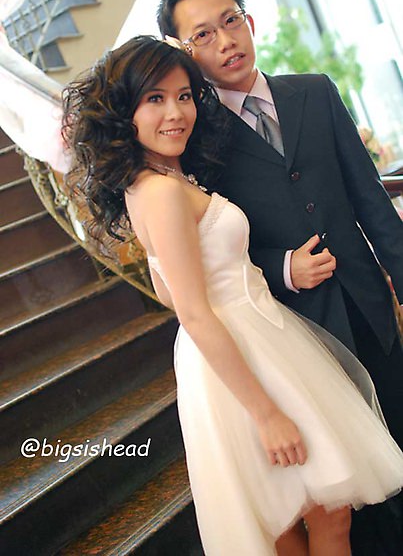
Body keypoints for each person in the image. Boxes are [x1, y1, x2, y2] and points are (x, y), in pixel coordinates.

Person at [62, 35, 403, 556]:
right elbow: (193, 313)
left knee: (299, 520)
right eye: (155, 99)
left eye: (183, 96)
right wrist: (266, 414)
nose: (176, 112)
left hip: (250, 342)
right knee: (319, 517)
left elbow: (168, 290)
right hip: (239, 356)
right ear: (124, 111)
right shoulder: (161, 191)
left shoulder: (155, 180)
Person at [156, 0, 403, 554]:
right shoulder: (194, 139)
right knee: (351, 491)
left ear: (249, 21)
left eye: (231, 21)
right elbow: (210, 250)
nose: (226, 41)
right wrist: (282, 266)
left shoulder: (315, 92)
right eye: (203, 35)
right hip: (297, 333)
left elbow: (370, 200)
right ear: (184, 51)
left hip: (368, 306)